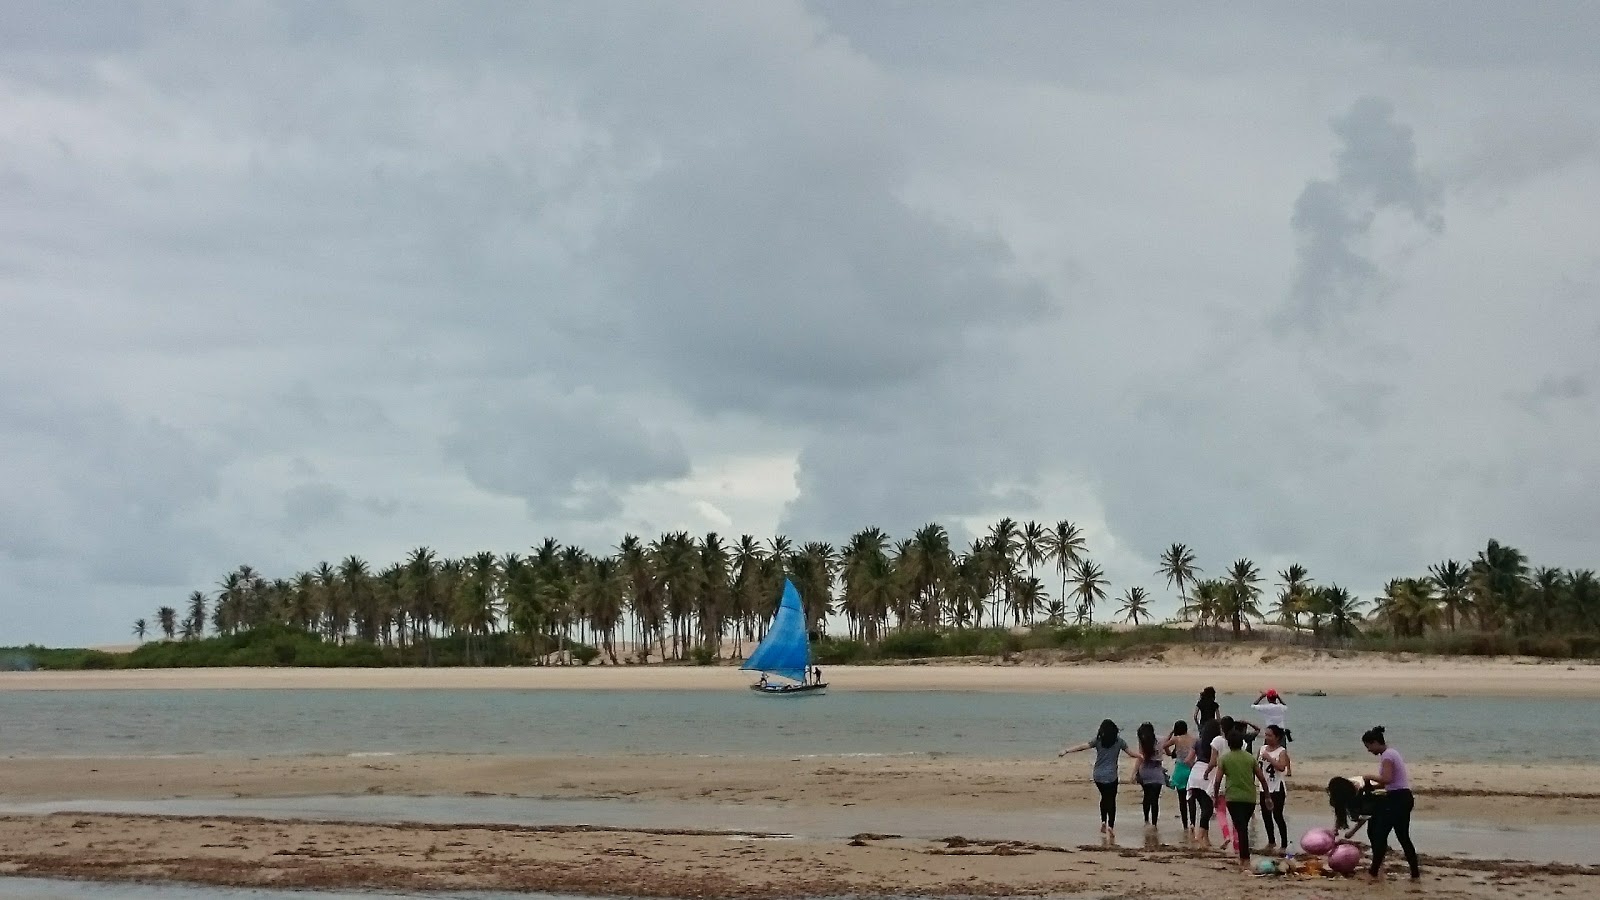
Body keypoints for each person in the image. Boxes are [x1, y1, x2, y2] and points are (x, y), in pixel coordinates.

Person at [1060, 719, 1140, 838]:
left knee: (1104, 797)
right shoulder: (1119, 742)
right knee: (1111, 800)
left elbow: (1083, 747)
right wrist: (1142, 756)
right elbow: (1131, 753)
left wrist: (1066, 751)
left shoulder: (1098, 741)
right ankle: (1110, 826)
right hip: (1111, 776)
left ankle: (1103, 822)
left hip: (1098, 775)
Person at [1362, 725, 1420, 881]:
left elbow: (1387, 779)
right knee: (1403, 837)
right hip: (1404, 797)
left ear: (1375, 742)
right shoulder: (1392, 753)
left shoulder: (1387, 756)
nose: (1369, 750)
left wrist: (1369, 777)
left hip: (1397, 800)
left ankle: (1373, 873)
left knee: (1380, 835)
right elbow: (1390, 782)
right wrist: (1370, 786)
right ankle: (1415, 874)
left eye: (1368, 746)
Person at [1211, 727, 1273, 870]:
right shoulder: (1249, 757)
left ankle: (1245, 859)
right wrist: (1268, 797)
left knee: (1241, 828)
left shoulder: (1224, 758)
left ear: (1229, 743)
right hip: (1250, 797)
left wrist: (1215, 797)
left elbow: (1218, 780)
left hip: (1233, 798)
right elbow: (1262, 779)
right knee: (1242, 826)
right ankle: (1244, 856)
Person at [1184, 719, 1221, 842]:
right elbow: (1214, 762)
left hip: (1195, 774)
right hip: (1208, 775)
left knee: (1203, 806)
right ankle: (1199, 837)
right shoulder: (1216, 744)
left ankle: (1206, 838)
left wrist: (1195, 768)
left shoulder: (1198, 742)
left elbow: (1188, 760)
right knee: (1208, 809)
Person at [1257, 724, 1292, 852]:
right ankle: (1271, 841)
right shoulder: (1262, 749)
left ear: (1277, 737)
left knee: (1277, 815)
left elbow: (1282, 767)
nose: (1267, 737)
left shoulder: (1281, 751)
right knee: (1266, 815)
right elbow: (1257, 766)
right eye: (1266, 735)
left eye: (1270, 735)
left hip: (1277, 787)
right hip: (1264, 787)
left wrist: (1270, 758)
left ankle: (1283, 844)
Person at [1162, 721, 1196, 831]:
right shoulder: (1193, 739)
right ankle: (1193, 823)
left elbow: (1163, 745)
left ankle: (1185, 825)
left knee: (1182, 800)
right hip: (1191, 769)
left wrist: (1170, 753)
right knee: (1191, 799)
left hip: (1180, 769)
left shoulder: (1176, 739)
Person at [1133, 722, 1167, 827]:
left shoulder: (1143, 742)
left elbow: (1140, 758)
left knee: (1147, 796)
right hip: (1157, 771)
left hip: (1145, 772)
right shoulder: (1160, 739)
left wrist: (1134, 772)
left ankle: (1146, 820)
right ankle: (1154, 824)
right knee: (1155, 799)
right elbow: (1169, 740)